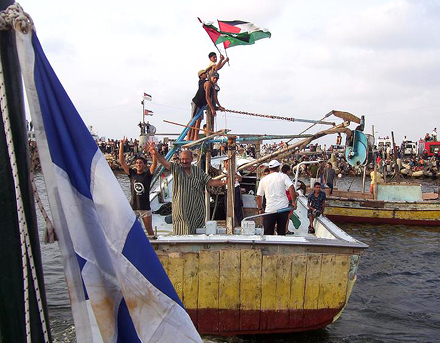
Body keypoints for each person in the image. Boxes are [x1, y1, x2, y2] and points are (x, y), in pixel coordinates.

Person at [148, 142, 226, 235]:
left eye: (187, 159)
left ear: (192, 159)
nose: (184, 161)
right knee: (182, 231)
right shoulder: (176, 168)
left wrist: (224, 182)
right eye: (182, 159)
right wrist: (155, 153)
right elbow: (164, 162)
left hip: (197, 209)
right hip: (182, 209)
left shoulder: (197, 171)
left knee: (198, 232)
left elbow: (210, 182)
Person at [119, 137, 156, 236]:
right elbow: (122, 162)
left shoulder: (147, 175)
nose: (138, 164)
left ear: (144, 165)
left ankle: (154, 246)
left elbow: (154, 165)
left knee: (149, 229)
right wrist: (122, 145)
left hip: (145, 207)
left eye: (140, 163)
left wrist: (153, 152)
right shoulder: (132, 174)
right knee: (132, 231)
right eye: (137, 163)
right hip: (133, 207)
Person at [256, 160, 297, 235]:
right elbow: (291, 187)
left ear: (269, 168)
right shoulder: (284, 176)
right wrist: (293, 202)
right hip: (283, 209)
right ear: (278, 168)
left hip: (270, 210)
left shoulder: (263, 180)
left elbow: (259, 196)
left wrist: (260, 208)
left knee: (268, 234)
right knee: (281, 232)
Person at [187, 69, 208, 141]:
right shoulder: (201, 82)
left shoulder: (206, 82)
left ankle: (195, 136)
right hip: (196, 103)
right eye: (204, 73)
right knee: (193, 120)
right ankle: (189, 137)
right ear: (201, 75)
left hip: (201, 104)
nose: (206, 74)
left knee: (199, 120)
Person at [222, 158, 244, 226]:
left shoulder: (235, 171)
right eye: (226, 163)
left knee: (237, 207)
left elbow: (240, 179)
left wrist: (234, 175)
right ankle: (229, 224)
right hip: (227, 190)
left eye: (229, 162)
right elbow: (223, 182)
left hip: (235, 189)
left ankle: (240, 224)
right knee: (227, 208)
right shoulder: (222, 172)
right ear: (224, 164)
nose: (227, 164)